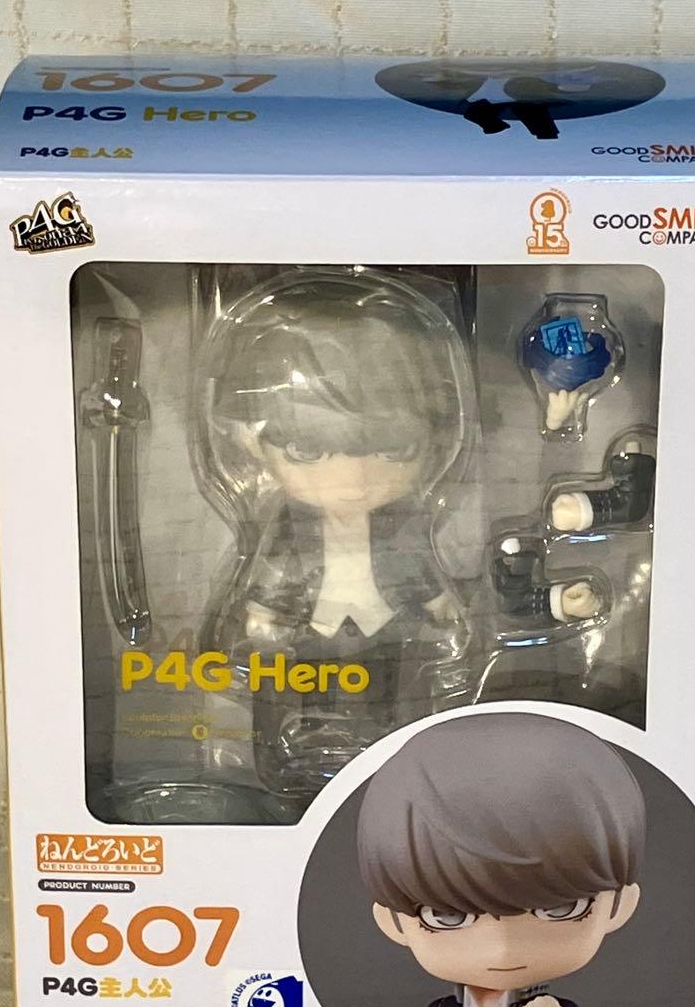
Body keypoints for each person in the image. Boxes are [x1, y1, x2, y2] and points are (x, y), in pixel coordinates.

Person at [206, 273, 601, 794]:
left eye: (392, 451)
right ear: (252, 442)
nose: (352, 481)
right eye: (308, 452)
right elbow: (273, 569)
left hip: (386, 622)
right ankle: (306, 745)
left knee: (385, 688)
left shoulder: (403, 521)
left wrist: (440, 605)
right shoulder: (287, 523)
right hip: (313, 625)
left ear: (433, 437)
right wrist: (262, 612)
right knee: (308, 688)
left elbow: (416, 563)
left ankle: (383, 748)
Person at [357, 711, 646, 1007]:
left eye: (560, 908)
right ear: (393, 921)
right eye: (446, 916)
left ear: (618, 906)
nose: (502, 949)